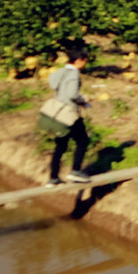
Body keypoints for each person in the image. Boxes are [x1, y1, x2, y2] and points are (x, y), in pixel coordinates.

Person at [45, 50, 92, 185]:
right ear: (78, 61)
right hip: (69, 113)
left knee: (60, 146)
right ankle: (75, 171)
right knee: (83, 140)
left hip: (57, 112)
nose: (84, 64)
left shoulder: (59, 72)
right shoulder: (74, 74)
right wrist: (83, 99)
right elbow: (72, 94)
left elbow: (54, 84)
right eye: (84, 61)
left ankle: (53, 178)